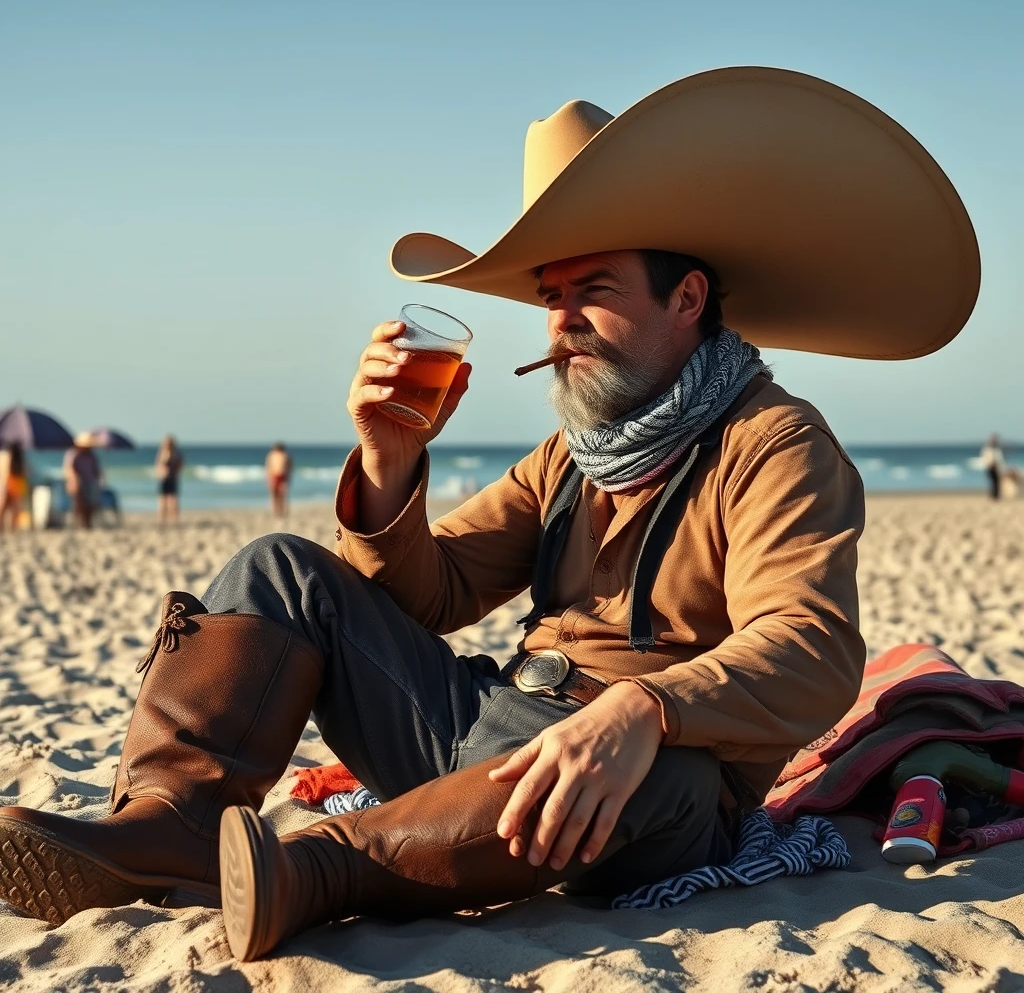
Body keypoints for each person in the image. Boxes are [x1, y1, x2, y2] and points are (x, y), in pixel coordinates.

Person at [0, 68, 980, 958]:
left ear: (686, 297)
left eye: (590, 292)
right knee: (278, 569)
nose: (558, 326)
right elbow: (434, 592)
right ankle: (172, 823)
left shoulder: (774, 442)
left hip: (657, 778)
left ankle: (319, 870)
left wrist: (644, 707)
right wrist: (389, 463)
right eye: (549, 298)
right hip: (494, 719)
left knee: (639, 778)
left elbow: (809, 643)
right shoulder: (571, 452)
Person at [62, 436, 103, 529]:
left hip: (90, 481)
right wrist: (74, 480)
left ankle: (88, 523)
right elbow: (70, 469)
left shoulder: (91, 455)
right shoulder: (73, 454)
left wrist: (98, 480)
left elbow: (96, 469)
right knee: (80, 504)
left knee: (91, 503)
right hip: (78, 483)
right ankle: (81, 523)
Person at [0, 441, 29, 531]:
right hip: (14, 479)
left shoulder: (10, 454)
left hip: (13, 479)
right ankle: (12, 527)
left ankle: (9, 527)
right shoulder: (17, 455)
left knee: (8, 505)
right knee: (13, 505)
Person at [155, 435, 184, 524]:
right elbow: (158, 465)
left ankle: (175, 519)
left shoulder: (176, 454)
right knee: (162, 500)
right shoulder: (162, 452)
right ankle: (162, 519)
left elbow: (180, 465)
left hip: (172, 478)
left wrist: (173, 471)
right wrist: (161, 473)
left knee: (173, 500)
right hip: (164, 478)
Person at [265, 442, 293, 517]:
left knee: (283, 495)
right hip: (274, 476)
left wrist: (288, 477)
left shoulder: (286, 455)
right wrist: (268, 478)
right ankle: (275, 512)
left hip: (283, 476)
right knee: (274, 495)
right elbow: (268, 467)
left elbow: (290, 467)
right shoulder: (271, 455)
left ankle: (283, 512)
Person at [980, 434, 1005, 500]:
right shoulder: (987, 449)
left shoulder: (997, 450)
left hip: (997, 468)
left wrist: (1000, 467)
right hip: (990, 468)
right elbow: (985, 458)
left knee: (997, 482)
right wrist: (989, 464)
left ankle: (996, 495)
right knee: (992, 482)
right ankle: (992, 495)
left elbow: (1000, 460)